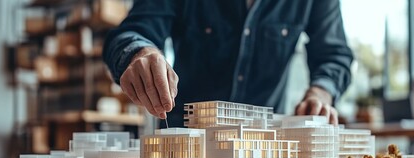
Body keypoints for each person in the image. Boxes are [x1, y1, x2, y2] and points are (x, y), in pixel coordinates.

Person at [103, 0, 353, 127]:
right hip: (184, 150)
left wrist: (321, 93)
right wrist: (139, 53)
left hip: (263, 154)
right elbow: (129, 34)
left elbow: (334, 54)